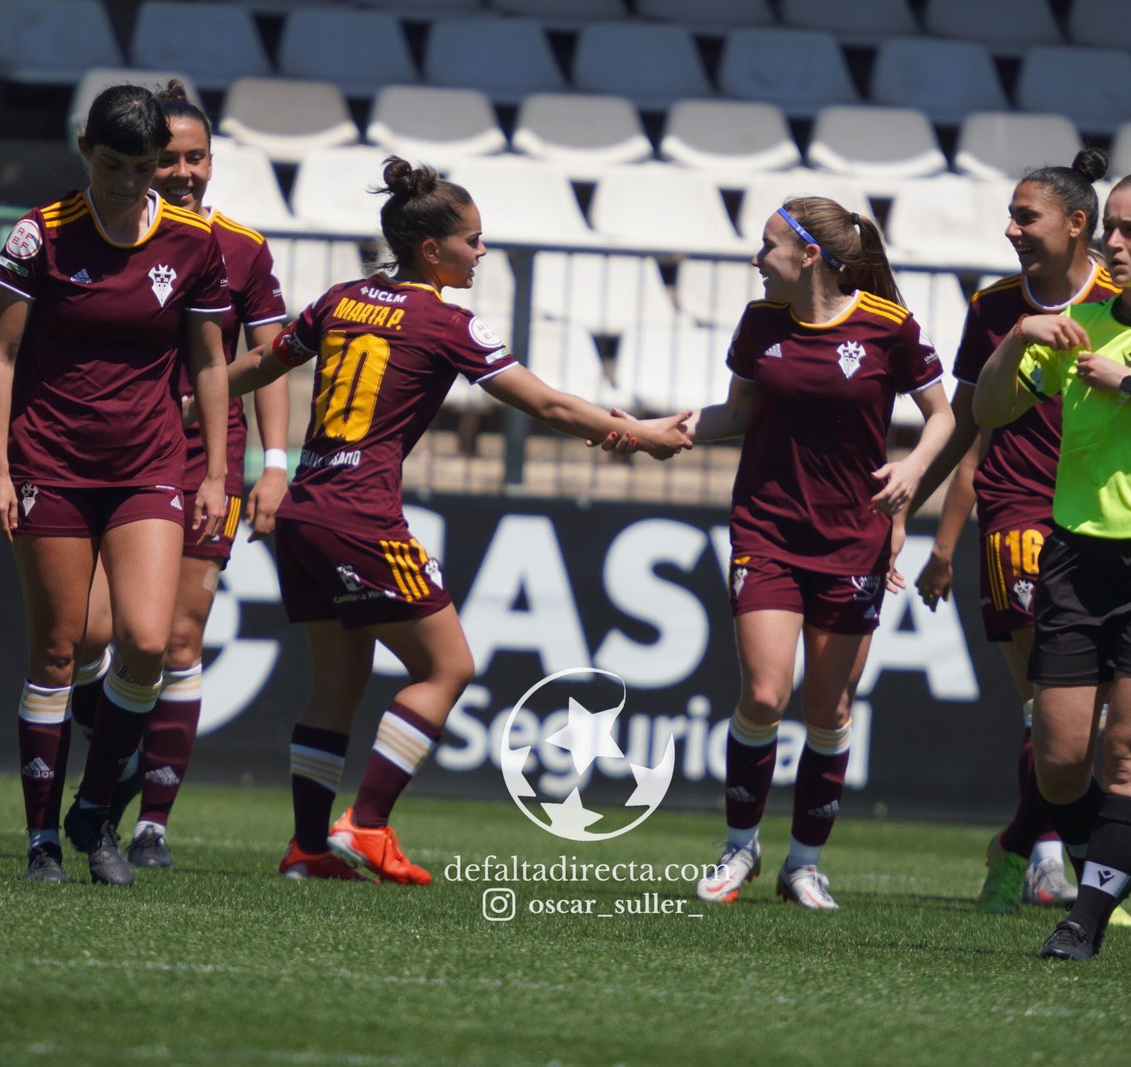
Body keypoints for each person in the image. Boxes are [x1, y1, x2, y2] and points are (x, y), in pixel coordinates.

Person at [223, 156, 692, 885]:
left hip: (304, 510)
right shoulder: (446, 322)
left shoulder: (340, 299)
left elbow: (263, 361)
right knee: (449, 666)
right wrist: (641, 435)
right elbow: (549, 405)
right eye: (473, 241)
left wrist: (188, 399)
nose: (481, 252)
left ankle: (308, 849)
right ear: (430, 250)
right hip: (361, 516)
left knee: (335, 684)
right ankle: (368, 824)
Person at [914, 151, 1131, 919]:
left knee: (1078, 731)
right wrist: (928, 525)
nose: (1011, 228)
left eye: (1025, 216)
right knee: (1054, 720)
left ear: (1076, 224)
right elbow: (976, 426)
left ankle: (1028, 848)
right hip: (1029, 522)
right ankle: (1075, 864)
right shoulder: (1002, 307)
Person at [618, 198, 953, 909]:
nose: (754, 258)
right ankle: (740, 846)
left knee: (828, 710)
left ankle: (804, 862)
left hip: (852, 538)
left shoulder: (888, 325)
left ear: (808, 256)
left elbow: (945, 418)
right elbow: (735, 414)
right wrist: (649, 431)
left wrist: (914, 470)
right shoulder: (760, 322)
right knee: (765, 695)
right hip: (766, 530)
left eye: (766, 245)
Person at [0, 84, 232, 886]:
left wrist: (221, 472)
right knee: (59, 650)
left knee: (149, 642)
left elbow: (209, 361)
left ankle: (93, 809)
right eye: (114, 164)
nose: (129, 182)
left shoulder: (193, 241)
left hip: (149, 466)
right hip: (49, 462)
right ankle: (41, 841)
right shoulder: (40, 235)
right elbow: (1, 356)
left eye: (143, 167)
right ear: (87, 152)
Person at [64, 82, 294, 871]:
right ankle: (118, 761)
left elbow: (276, 357)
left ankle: (152, 820)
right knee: (95, 632)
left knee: (181, 633)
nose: (184, 172)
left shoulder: (241, 248)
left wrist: (273, 466)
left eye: (196, 157)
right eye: (169, 159)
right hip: (115, 451)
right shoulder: (92, 231)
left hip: (205, 459)